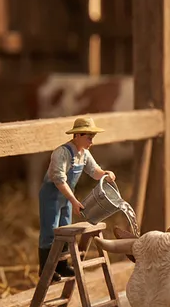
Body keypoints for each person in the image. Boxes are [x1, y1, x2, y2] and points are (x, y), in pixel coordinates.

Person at [38, 116, 116, 280]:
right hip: (52, 195)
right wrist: (73, 200)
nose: (91, 142)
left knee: (66, 228)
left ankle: (62, 265)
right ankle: (46, 270)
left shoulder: (84, 154)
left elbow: (94, 171)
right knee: (50, 231)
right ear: (78, 135)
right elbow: (59, 180)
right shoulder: (61, 153)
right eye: (89, 138)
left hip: (66, 196)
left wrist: (105, 174)